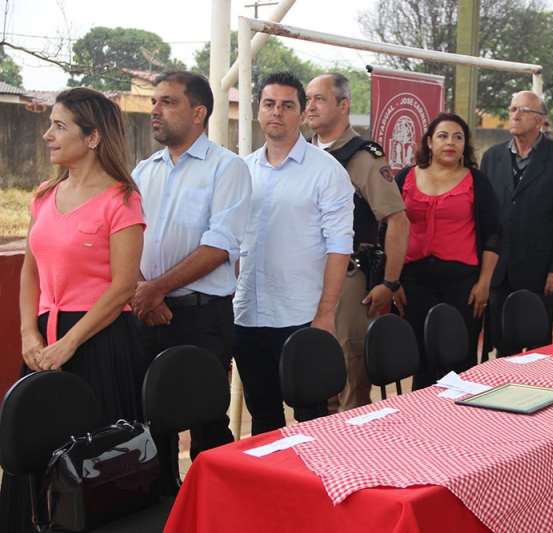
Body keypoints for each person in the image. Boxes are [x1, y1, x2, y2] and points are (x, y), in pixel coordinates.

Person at [2, 87, 149, 532]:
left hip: (100, 343)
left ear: (92, 138)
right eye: (50, 124)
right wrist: (30, 333)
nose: (47, 134)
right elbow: (30, 272)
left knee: (95, 465)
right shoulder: (45, 195)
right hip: (45, 344)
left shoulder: (122, 200)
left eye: (59, 125)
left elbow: (124, 285)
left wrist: (69, 343)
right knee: (31, 453)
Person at [132, 71, 251, 492]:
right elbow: (125, 240)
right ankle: (163, 503)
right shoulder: (144, 171)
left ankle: (218, 505)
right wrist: (143, 292)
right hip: (146, 313)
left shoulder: (227, 168)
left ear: (199, 112)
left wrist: (157, 287)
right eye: (154, 102)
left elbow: (219, 246)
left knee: (206, 421)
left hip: (201, 319)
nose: (155, 110)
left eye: (168, 102)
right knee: (148, 418)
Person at [233, 71, 354, 433]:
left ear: (302, 114)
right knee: (263, 420)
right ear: (258, 110)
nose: (277, 112)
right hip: (247, 315)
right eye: (269, 104)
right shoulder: (241, 170)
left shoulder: (326, 172)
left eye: (288, 105)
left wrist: (326, 315)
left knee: (310, 422)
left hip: (301, 316)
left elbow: (339, 246)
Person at [306, 72, 409, 413]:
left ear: (344, 105)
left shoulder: (362, 156)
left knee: (349, 377)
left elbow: (397, 220)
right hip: (305, 279)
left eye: (319, 99)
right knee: (312, 377)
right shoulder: (301, 154)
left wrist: (390, 282)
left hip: (349, 279)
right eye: (307, 99)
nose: (310, 106)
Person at [392, 113, 501, 389]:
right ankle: (423, 425)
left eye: (458, 137)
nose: (449, 142)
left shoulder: (477, 181)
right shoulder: (404, 177)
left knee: (460, 360)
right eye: (442, 136)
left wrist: (484, 283)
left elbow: (493, 235)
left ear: (466, 145)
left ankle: (461, 425)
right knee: (423, 361)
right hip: (414, 282)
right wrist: (391, 281)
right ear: (429, 141)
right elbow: (388, 232)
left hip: (462, 284)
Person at [481, 91, 553, 355]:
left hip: (540, 270)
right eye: (512, 109)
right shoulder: (492, 157)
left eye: (523, 110)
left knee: (538, 347)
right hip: (499, 270)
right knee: (502, 345)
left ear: (540, 120)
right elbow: (485, 216)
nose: (515, 115)